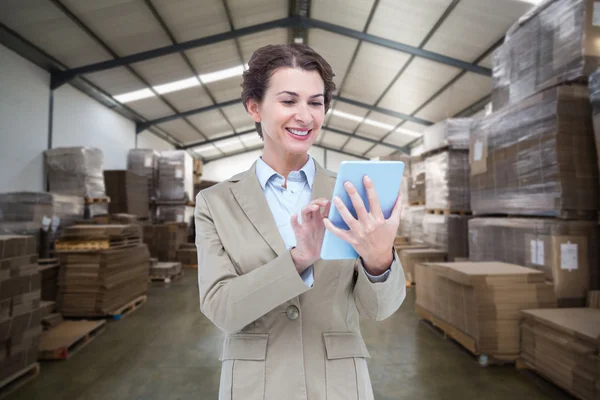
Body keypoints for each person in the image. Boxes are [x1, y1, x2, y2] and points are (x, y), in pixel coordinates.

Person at [195, 43, 406, 400]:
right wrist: (298, 259)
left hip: (338, 384)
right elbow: (222, 309)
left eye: (316, 102)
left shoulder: (351, 192)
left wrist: (379, 259)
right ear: (254, 107)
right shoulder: (216, 203)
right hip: (254, 385)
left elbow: (380, 309)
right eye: (289, 101)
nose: (305, 116)